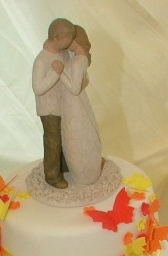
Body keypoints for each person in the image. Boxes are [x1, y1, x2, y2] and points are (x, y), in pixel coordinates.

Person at [32, 18, 76, 189]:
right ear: (56, 38)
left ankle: (63, 166)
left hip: (63, 104)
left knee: (65, 136)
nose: (70, 42)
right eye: (68, 38)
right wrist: (55, 74)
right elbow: (38, 88)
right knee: (53, 141)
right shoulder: (42, 60)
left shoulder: (62, 53)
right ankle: (52, 175)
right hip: (49, 108)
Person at [57, 25, 102, 186]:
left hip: (74, 102)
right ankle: (81, 172)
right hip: (73, 102)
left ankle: (84, 174)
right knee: (76, 134)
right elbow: (83, 78)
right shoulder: (76, 57)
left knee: (77, 134)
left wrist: (60, 72)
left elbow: (74, 88)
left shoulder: (79, 60)